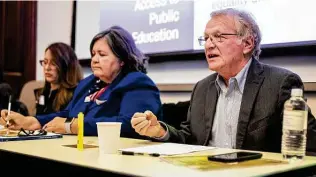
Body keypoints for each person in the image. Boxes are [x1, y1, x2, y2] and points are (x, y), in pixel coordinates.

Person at [131, 8, 316, 154]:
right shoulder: (202, 88)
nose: (209, 44)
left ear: (248, 44)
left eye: (218, 37)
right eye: (206, 38)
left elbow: (309, 147)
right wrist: (160, 131)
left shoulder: (279, 83)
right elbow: (190, 140)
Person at [1, 26, 162, 138]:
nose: (94, 60)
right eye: (93, 54)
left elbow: (130, 124)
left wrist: (74, 126)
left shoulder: (137, 82)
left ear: (122, 60)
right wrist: (32, 121)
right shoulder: (87, 83)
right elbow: (67, 114)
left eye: (102, 54)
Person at [35, 42, 83, 115]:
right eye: (45, 62)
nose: (47, 68)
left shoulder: (74, 95)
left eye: (53, 63)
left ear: (66, 66)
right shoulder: (43, 92)